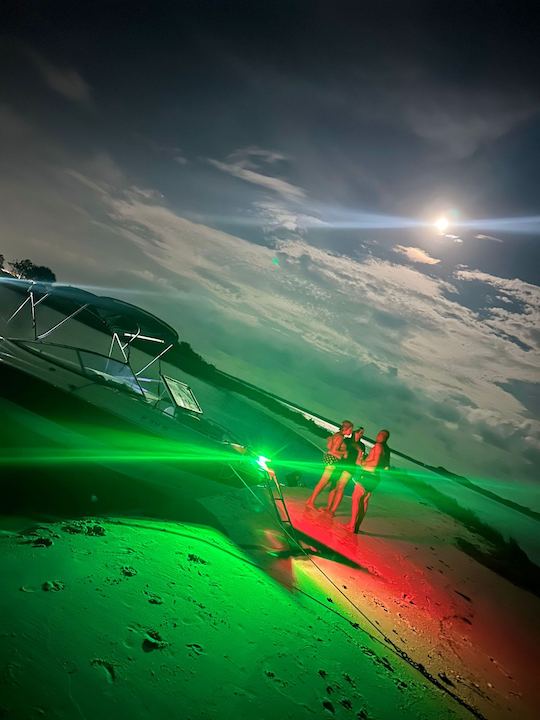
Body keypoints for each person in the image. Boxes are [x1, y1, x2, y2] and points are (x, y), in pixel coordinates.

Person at [344, 429, 390, 533]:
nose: (378, 435)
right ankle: (356, 526)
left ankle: (352, 525)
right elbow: (386, 467)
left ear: (385, 438)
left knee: (356, 498)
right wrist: (365, 460)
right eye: (379, 433)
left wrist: (363, 463)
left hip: (368, 475)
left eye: (381, 434)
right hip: (375, 478)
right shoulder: (387, 450)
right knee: (364, 501)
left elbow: (374, 464)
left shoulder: (378, 446)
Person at [305, 421, 353, 509]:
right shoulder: (340, 438)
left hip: (329, 460)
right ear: (347, 429)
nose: (351, 432)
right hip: (332, 461)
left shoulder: (336, 435)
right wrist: (344, 452)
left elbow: (328, 446)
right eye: (351, 429)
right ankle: (311, 502)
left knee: (323, 482)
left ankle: (310, 500)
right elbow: (333, 451)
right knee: (323, 482)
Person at [326, 427, 366, 515]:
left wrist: (361, 456)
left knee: (341, 487)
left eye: (362, 433)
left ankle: (333, 511)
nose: (361, 434)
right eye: (360, 432)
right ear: (355, 432)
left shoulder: (362, 446)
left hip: (350, 467)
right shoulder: (347, 440)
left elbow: (359, 460)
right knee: (333, 485)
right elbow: (337, 448)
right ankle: (328, 508)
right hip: (340, 464)